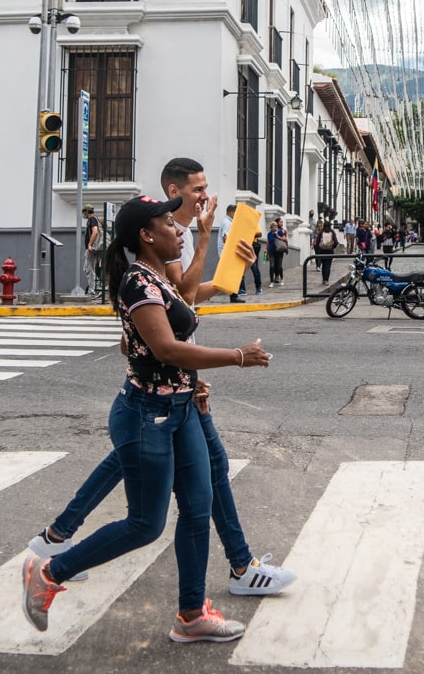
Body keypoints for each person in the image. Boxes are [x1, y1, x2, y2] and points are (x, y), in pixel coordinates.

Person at [27, 160, 294, 608]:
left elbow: (181, 303)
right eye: (197, 190)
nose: (203, 197)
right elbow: (165, 341)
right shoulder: (143, 274)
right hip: (152, 408)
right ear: (153, 228)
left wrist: (214, 254)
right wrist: (233, 358)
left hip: (178, 400)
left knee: (202, 490)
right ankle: (53, 559)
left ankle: (203, 600)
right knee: (149, 519)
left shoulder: (165, 257)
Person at [81, 206, 102, 294]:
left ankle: (92, 290)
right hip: (93, 248)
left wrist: (89, 244)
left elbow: (95, 232)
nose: (83, 214)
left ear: (87, 211)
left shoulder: (92, 219)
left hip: (91, 248)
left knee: (89, 269)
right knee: (88, 268)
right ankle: (96, 287)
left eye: (84, 212)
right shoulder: (95, 219)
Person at [267, 218, 288, 286]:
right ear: (271, 227)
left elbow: (285, 239)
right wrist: (266, 252)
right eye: (273, 226)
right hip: (271, 251)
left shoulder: (280, 232)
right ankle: (271, 282)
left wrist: (277, 235)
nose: (275, 227)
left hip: (279, 251)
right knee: (272, 266)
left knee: (279, 266)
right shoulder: (269, 234)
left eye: (276, 226)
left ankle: (281, 278)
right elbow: (268, 243)